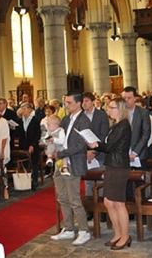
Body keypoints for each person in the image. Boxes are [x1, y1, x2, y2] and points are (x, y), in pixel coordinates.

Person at [88, 97, 132, 250]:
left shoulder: (123, 126)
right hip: (112, 165)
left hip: (119, 166)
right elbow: (109, 145)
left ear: (120, 109)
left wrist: (96, 145)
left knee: (118, 202)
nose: (108, 110)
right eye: (108, 107)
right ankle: (118, 233)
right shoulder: (116, 125)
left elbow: (109, 146)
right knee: (108, 201)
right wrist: (97, 144)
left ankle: (125, 236)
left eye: (112, 107)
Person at [51, 92, 91, 246]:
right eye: (65, 102)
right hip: (61, 163)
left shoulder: (84, 120)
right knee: (62, 197)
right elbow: (59, 136)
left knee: (74, 199)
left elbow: (80, 145)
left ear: (78, 103)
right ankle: (68, 228)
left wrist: (61, 153)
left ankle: (83, 231)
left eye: (68, 102)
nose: (66, 105)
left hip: (73, 162)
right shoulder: (66, 119)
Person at [122, 86, 151, 168]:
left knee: (140, 179)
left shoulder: (143, 113)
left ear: (135, 98)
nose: (126, 100)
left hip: (139, 154)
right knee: (125, 180)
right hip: (123, 155)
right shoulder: (120, 112)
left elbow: (146, 135)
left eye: (129, 98)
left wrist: (135, 152)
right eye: (124, 98)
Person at [20, 102, 42, 190]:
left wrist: (32, 145)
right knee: (24, 163)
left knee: (34, 163)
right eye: (22, 108)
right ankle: (25, 182)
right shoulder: (19, 120)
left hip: (33, 144)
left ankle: (35, 181)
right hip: (23, 145)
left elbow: (37, 134)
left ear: (29, 109)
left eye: (24, 108)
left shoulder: (35, 120)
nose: (23, 110)